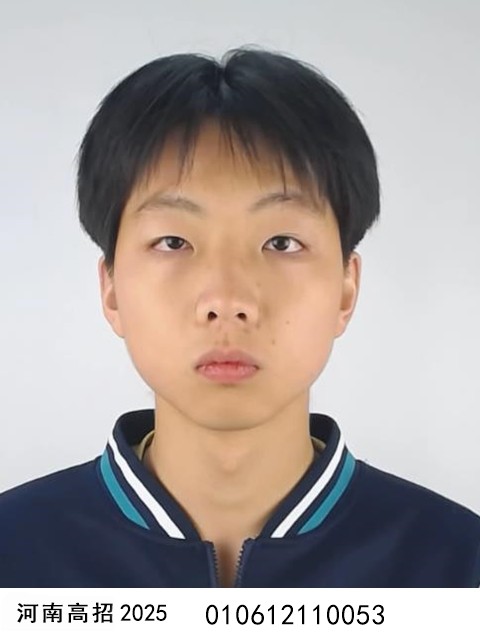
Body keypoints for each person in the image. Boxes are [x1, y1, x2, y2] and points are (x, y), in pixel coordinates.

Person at [0, 45, 479, 588]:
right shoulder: (15, 554)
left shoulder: (458, 565)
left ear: (346, 289)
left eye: (281, 242)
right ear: (111, 289)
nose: (227, 299)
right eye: (173, 241)